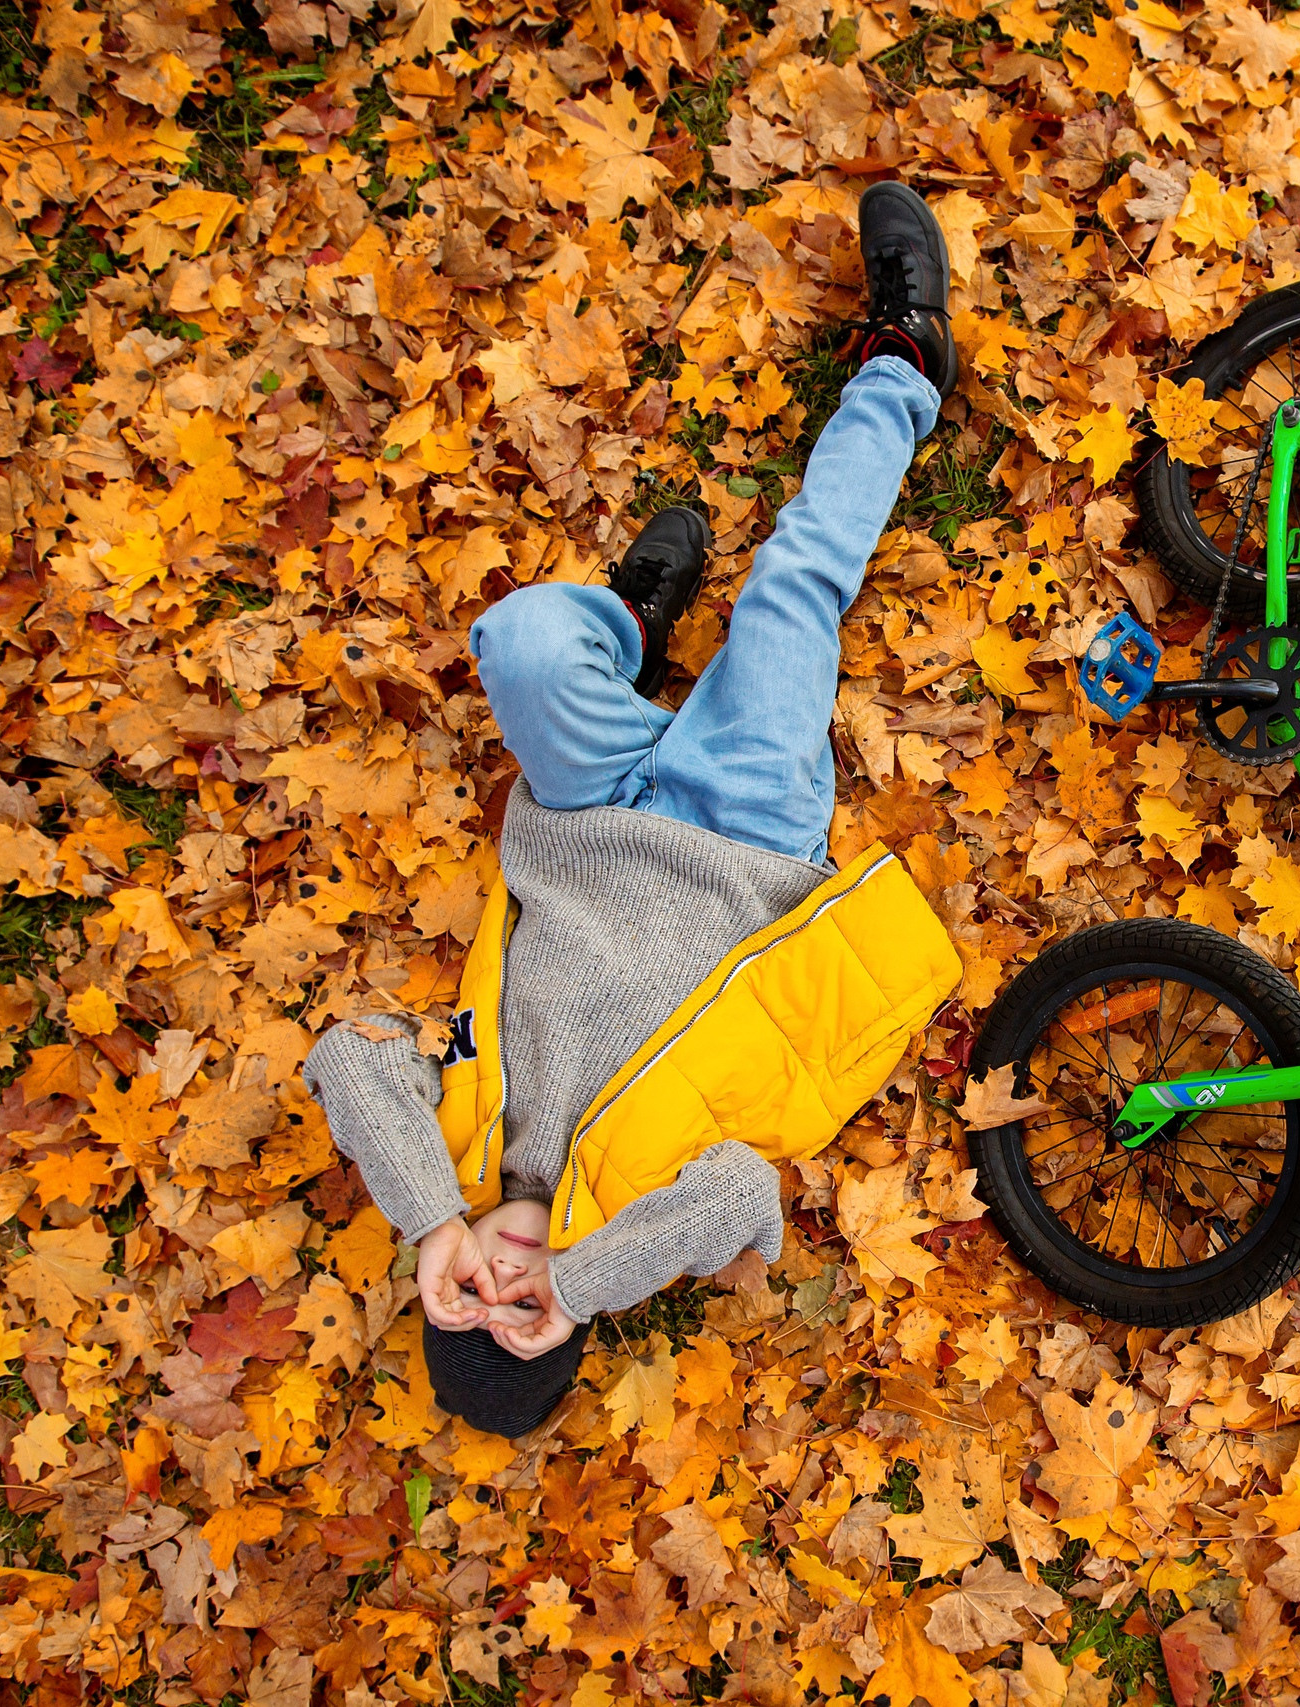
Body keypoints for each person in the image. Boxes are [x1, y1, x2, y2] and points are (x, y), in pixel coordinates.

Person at [300, 182, 963, 1439]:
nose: (499, 1288)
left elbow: (345, 1057)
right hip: (745, 833)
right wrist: (579, 1280)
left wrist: (432, 1223)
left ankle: (629, 638)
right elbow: (744, 1201)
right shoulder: (642, 1223)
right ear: (566, 1325)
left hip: (589, 811)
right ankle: (906, 367)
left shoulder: (446, 1144)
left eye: (465, 1302)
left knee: (524, 643)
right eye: (519, 1318)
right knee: (792, 587)